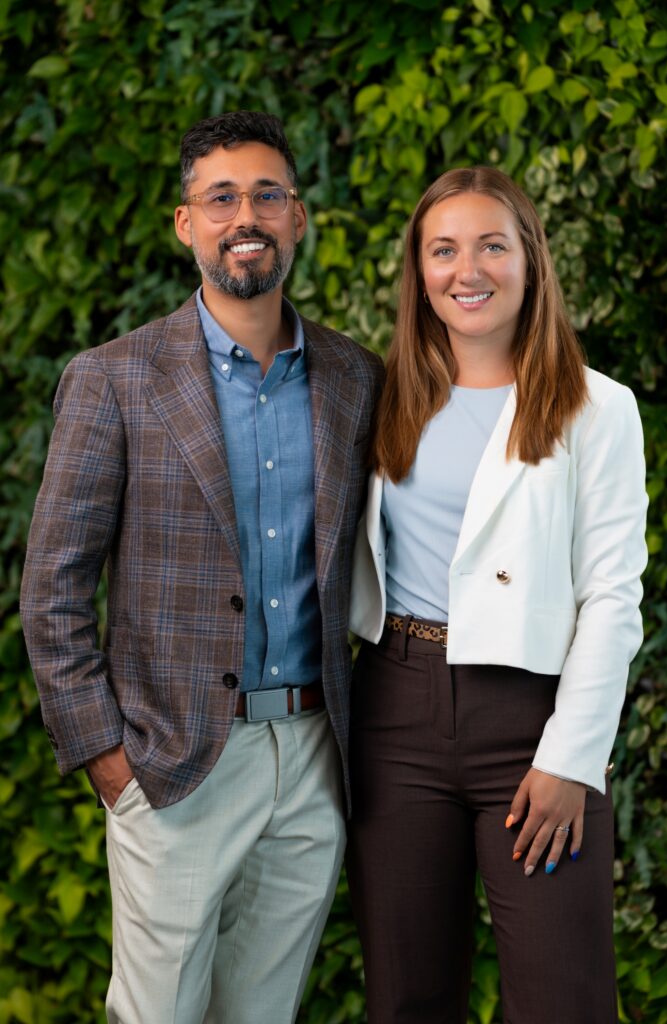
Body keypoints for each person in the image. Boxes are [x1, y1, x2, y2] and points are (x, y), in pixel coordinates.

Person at [20, 111, 383, 1024]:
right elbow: (53, 589)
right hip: (172, 762)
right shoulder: (114, 378)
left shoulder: (356, 378)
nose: (244, 217)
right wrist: (107, 761)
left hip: (312, 755)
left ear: (298, 217)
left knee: (263, 1012)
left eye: (266, 194)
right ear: (186, 223)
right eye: (220, 198)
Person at [346, 166, 647, 1024]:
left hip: (532, 718)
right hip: (395, 710)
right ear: (419, 272)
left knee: (563, 1000)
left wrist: (570, 758)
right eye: (442, 250)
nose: (466, 270)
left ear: (529, 260)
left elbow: (611, 597)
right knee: (406, 998)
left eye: (490, 245)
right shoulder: (380, 396)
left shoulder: (597, 408)